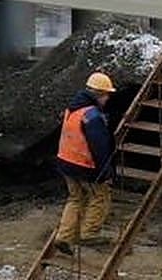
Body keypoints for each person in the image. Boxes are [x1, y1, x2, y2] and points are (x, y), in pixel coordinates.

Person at [52, 70, 117, 256]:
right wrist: (105, 172)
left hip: (66, 162)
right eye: (107, 95)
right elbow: (100, 147)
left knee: (75, 198)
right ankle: (89, 233)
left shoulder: (72, 109)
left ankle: (63, 237)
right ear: (99, 94)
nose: (108, 99)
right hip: (84, 165)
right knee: (100, 196)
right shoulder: (92, 115)